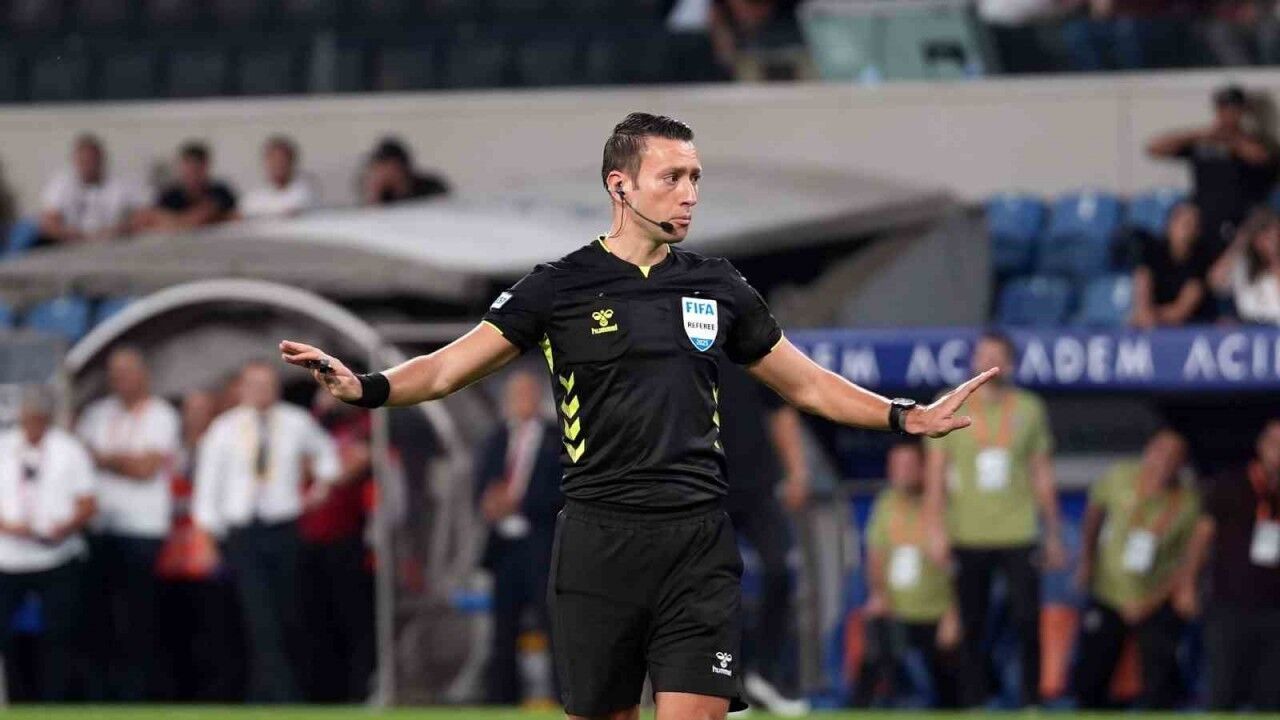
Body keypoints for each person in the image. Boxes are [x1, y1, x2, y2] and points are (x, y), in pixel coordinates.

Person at [282, 112, 995, 720]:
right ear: (619, 186)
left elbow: (806, 384)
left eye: (695, 178)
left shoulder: (718, 285)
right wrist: (368, 387)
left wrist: (903, 417)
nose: (690, 194)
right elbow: (446, 368)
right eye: (672, 177)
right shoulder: (558, 287)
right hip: (600, 542)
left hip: (698, 542)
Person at [923, 331, 1065, 708]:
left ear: (1010, 364)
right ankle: (973, 702)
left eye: (996, 357)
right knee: (971, 623)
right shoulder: (949, 402)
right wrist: (934, 529)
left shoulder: (1029, 408)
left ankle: (1031, 702)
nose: (988, 363)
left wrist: (1053, 531)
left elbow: (1041, 473)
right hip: (967, 532)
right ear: (972, 361)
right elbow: (935, 475)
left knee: (1026, 619)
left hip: (1019, 530)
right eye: (983, 355)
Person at [193, 360, 340, 703]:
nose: (261, 391)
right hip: (243, 532)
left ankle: (273, 692)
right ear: (242, 389)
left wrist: (321, 488)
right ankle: (277, 694)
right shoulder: (224, 429)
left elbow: (328, 456)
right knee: (258, 614)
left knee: (288, 611)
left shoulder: (296, 422)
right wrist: (208, 537)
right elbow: (207, 488)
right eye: (254, 384)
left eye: (267, 384)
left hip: (284, 527)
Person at [75, 346, 181, 701]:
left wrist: (102, 458)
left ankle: (138, 694)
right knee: (99, 618)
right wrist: (121, 460)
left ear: (144, 375)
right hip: (101, 526)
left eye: (127, 372)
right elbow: (79, 460)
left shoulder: (161, 414)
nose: (120, 380)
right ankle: (101, 695)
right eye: (115, 373)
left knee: (138, 616)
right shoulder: (97, 413)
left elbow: (146, 468)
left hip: (143, 528)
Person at [1073, 430, 1199, 709]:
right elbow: (1093, 516)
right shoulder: (1120, 477)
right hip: (1108, 591)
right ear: (1148, 451)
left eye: (1174, 456)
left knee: (1160, 681)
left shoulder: (1188, 502)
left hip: (1153, 597)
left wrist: (1152, 601)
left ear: (1182, 463)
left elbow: (1186, 561)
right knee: (1090, 677)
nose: (1164, 461)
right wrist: (1086, 561)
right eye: (1160, 451)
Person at [717, 359, 810, 715]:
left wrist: (797, 471)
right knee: (713, 589)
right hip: (708, 489)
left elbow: (780, 409)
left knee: (781, 569)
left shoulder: (746, 345)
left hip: (759, 487)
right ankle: (724, 683)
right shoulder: (685, 347)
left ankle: (765, 675)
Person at [1173, 419, 1280, 710]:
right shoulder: (1230, 483)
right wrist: (1186, 585)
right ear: (1261, 446)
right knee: (1223, 692)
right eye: (1274, 442)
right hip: (1229, 606)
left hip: (1276, 609)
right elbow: (1200, 539)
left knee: (1272, 696)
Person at [0, 385, 96, 700]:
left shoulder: (69, 450)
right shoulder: (3, 447)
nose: (33, 424)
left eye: (39, 418)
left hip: (58, 556)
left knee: (59, 637)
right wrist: (8, 527)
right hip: (8, 558)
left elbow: (88, 503)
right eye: (28, 418)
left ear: (48, 418)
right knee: (7, 637)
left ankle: (55, 703)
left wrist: (64, 527)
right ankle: (13, 700)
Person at [474, 369, 563, 706]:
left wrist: (520, 503)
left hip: (542, 546)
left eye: (526, 394)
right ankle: (501, 702)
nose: (520, 401)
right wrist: (489, 501)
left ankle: (561, 698)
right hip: (503, 549)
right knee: (502, 629)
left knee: (552, 624)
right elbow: (480, 482)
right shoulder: (496, 438)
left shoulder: (557, 439)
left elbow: (563, 491)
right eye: (514, 395)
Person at [857, 440, 969, 708]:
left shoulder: (946, 506)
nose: (900, 472)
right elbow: (875, 555)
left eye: (907, 466)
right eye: (895, 466)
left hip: (937, 613)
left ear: (923, 469)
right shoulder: (885, 504)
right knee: (874, 650)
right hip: (895, 611)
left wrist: (954, 614)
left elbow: (963, 567)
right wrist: (878, 594)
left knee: (951, 683)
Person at [300, 387, 376, 702]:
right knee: (316, 620)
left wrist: (319, 470)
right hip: (308, 538)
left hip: (348, 538)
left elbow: (349, 470)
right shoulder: (311, 425)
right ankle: (324, 694)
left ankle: (358, 692)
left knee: (354, 620)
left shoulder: (366, 424)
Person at [1147, 84, 1276, 263]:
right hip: (1200, 220)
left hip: (1237, 222)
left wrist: (1230, 140)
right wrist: (1199, 135)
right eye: (1223, 108)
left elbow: (1262, 158)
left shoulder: (1253, 140)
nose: (1228, 114)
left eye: (1233, 109)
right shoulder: (1203, 140)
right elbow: (1154, 148)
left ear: (1242, 111)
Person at [38, 134, 143, 245]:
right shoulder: (61, 184)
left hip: (114, 242)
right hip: (72, 244)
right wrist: (76, 236)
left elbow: (145, 216)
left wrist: (123, 228)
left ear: (101, 160)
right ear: (75, 161)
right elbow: (48, 222)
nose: (88, 165)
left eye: (92, 160)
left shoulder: (121, 182)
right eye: (83, 161)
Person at [1131, 202, 1214, 328]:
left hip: (1190, 327)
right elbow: (1142, 291)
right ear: (1169, 225)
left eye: (1195, 225)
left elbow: (1182, 309)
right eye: (1185, 224)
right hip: (1153, 322)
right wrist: (1144, 313)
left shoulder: (1202, 259)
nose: (1189, 230)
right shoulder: (1152, 253)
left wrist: (1154, 316)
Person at [136, 141, 238, 232]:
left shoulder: (220, 192)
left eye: (197, 168)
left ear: (205, 167)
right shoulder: (170, 195)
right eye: (188, 167)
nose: (192, 173)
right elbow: (156, 221)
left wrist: (180, 221)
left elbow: (235, 218)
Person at [1208, 207, 1280, 325]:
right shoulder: (1242, 266)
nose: (1270, 242)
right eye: (1264, 237)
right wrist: (1241, 240)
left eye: (1274, 235)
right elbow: (1215, 282)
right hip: (1251, 328)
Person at [241, 135, 317, 219]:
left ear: (291, 162)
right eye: (273, 161)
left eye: (282, 161)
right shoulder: (254, 196)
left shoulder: (306, 192)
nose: (278, 165)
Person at [360, 137, 449, 206]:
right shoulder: (380, 192)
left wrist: (401, 189)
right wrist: (374, 194)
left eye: (394, 169)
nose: (389, 175)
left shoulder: (431, 188)